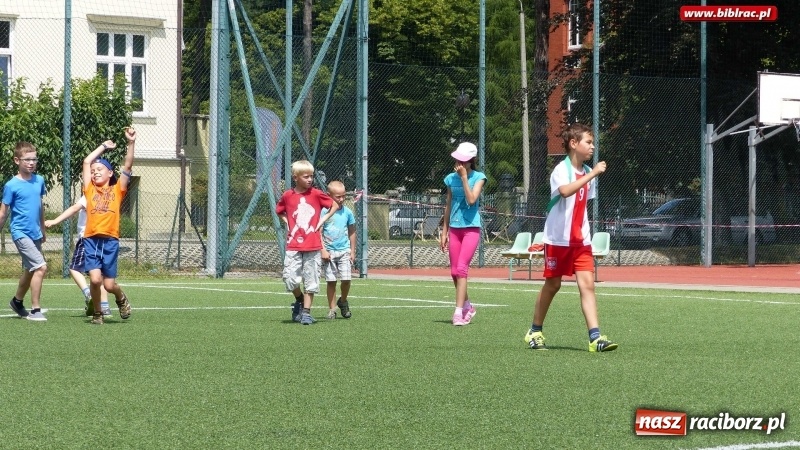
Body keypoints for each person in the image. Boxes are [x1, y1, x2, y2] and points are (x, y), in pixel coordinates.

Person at [524, 122, 618, 352]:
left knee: (587, 285)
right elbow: (565, 191)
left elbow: (582, 204)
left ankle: (595, 338)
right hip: (557, 241)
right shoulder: (561, 170)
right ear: (574, 144)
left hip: (581, 242)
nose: (592, 146)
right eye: (588, 142)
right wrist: (594, 173)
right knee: (553, 285)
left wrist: (591, 174)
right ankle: (535, 330)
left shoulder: (587, 173)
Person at [81, 127, 136, 324]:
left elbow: (128, 166)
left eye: (99, 170)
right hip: (91, 239)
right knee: (95, 280)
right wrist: (103, 147)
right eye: (93, 171)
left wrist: (131, 143)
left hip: (110, 241)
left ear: (110, 172)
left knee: (109, 284)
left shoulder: (117, 189)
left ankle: (120, 298)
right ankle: (98, 313)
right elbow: (87, 161)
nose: (95, 173)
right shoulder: (89, 189)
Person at [276, 160, 339, 325]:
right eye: (306, 177)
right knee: (290, 278)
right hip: (294, 245)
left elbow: (333, 205)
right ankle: (299, 299)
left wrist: (322, 220)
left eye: (311, 176)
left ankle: (306, 312)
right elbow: (280, 211)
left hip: (312, 245)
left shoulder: (316, 194)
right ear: (295, 177)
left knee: (311, 279)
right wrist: (287, 223)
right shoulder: (288, 196)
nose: (310, 179)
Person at [0, 142, 48, 321]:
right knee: (41, 267)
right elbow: (3, 213)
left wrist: (42, 229)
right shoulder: (11, 185)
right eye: (27, 159)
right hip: (20, 233)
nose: (31, 162)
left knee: (30, 269)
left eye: (34, 159)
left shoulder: (40, 180)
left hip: (35, 232)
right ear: (16, 160)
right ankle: (36, 310)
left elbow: (39, 206)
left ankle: (17, 302)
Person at [439, 142, 486, 326]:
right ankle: (468, 306)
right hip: (455, 229)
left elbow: (472, 199)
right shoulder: (450, 179)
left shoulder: (479, 177)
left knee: (462, 269)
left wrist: (465, 178)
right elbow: (448, 204)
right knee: (453, 272)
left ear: (470, 161)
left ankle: (458, 313)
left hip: (471, 229)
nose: (459, 162)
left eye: (463, 159)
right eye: (458, 158)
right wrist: (444, 231)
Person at [44, 196, 112, 317]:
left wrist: (55, 221)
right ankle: (105, 307)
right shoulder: (109, 197)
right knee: (100, 274)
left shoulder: (91, 194)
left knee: (74, 269)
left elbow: (75, 208)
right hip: (104, 240)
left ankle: (88, 294)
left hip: (87, 238)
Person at [320, 180, 356, 320]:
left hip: (344, 251)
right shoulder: (324, 212)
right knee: (331, 281)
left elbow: (352, 232)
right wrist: (323, 250)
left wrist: (352, 251)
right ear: (329, 196)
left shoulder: (347, 212)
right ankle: (332, 309)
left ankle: (343, 301)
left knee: (346, 279)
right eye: (337, 197)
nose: (341, 199)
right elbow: (319, 231)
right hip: (329, 252)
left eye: (343, 196)